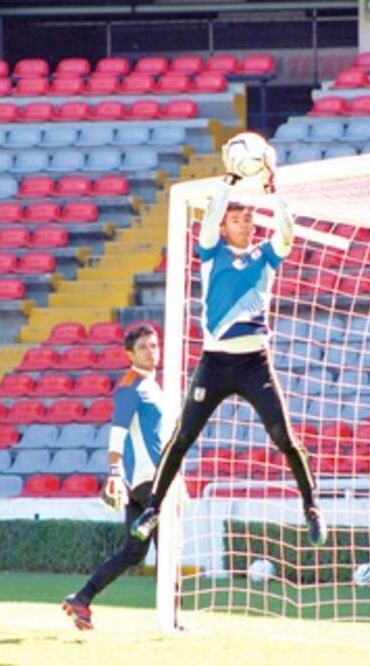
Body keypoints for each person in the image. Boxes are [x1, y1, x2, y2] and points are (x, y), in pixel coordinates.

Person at [129, 147, 326, 547]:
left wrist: (273, 193)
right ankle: (153, 508)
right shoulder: (211, 252)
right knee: (182, 437)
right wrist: (229, 184)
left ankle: (312, 508)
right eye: (237, 218)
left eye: (249, 217)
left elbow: (286, 232)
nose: (245, 223)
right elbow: (208, 223)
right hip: (216, 363)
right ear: (224, 225)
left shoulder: (266, 255)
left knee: (285, 437)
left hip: (255, 362)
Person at [62, 324, 166, 631]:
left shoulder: (152, 385)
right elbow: (117, 432)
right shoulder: (131, 387)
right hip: (150, 482)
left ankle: (82, 598)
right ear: (129, 354)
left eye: (154, 345)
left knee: (134, 552)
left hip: (142, 483)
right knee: (169, 548)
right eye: (144, 347)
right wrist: (114, 473)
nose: (152, 351)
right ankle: (173, 619)